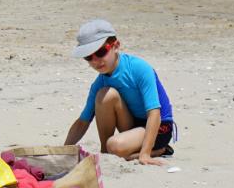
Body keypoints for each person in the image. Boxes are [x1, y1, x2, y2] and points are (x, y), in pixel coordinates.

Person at [63, 18, 176, 166]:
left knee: (115, 145)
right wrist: (63, 151)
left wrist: (145, 154)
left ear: (116, 46)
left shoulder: (139, 68)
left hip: (159, 127)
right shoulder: (99, 82)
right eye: (89, 57)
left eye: (101, 52)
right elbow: (82, 122)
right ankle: (106, 152)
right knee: (105, 95)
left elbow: (154, 113)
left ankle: (157, 150)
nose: (96, 60)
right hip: (133, 125)